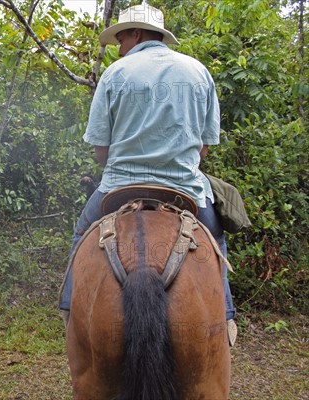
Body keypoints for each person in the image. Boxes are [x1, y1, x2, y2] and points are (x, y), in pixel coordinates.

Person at [59, 4, 237, 345]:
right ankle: (226, 315)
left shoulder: (115, 73)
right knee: (216, 239)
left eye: (121, 39)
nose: (119, 47)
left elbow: (100, 152)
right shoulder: (199, 72)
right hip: (184, 189)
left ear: (136, 34)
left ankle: (69, 310)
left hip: (120, 188)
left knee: (81, 232)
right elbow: (204, 148)